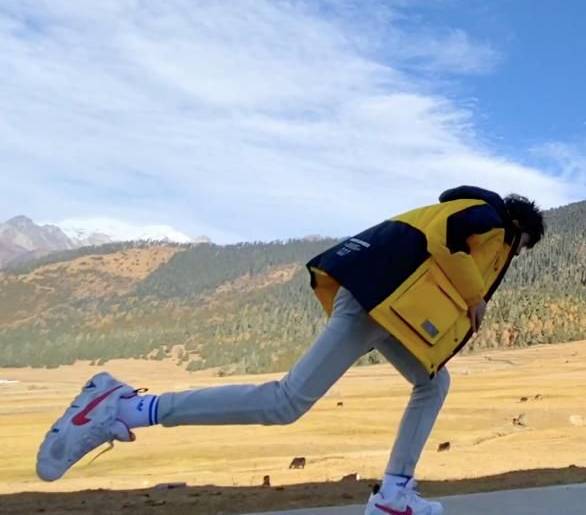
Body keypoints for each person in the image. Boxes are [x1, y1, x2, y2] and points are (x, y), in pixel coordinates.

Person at [35, 185, 545, 515]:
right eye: (518, 252)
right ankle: (126, 406)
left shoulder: (466, 209)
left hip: (390, 309)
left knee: (433, 382)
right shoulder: (489, 218)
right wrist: (476, 298)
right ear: (520, 233)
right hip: (375, 304)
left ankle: (394, 493)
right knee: (286, 403)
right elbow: (452, 240)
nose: (510, 258)